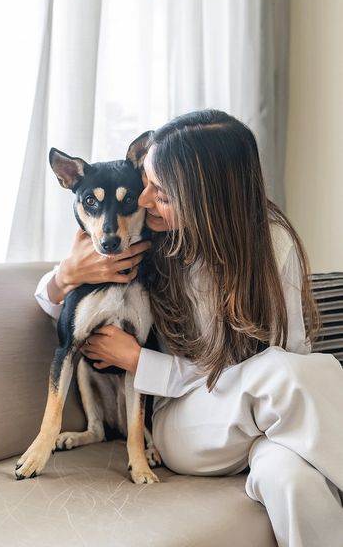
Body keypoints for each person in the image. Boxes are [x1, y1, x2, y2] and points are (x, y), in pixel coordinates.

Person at [35, 110, 343, 547]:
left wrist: (141, 360)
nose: (142, 201)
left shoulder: (273, 242)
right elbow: (58, 312)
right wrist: (66, 276)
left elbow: (292, 352)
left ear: (205, 196)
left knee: (292, 478)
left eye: (159, 191)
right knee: (292, 371)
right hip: (182, 425)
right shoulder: (148, 241)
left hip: (261, 421)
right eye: (147, 184)